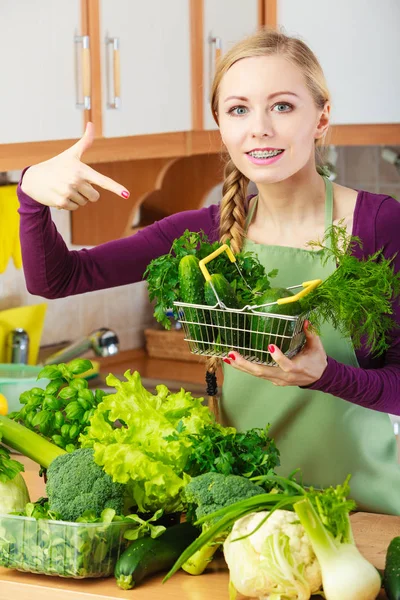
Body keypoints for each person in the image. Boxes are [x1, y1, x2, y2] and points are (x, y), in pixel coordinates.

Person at [17, 29, 400, 515]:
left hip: (364, 511)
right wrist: (31, 192)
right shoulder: (203, 234)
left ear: (321, 118)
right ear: (221, 124)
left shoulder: (379, 225)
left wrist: (325, 376)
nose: (259, 128)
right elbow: (59, 279)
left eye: (282, 106)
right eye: (239, 109)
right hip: (244, 514)